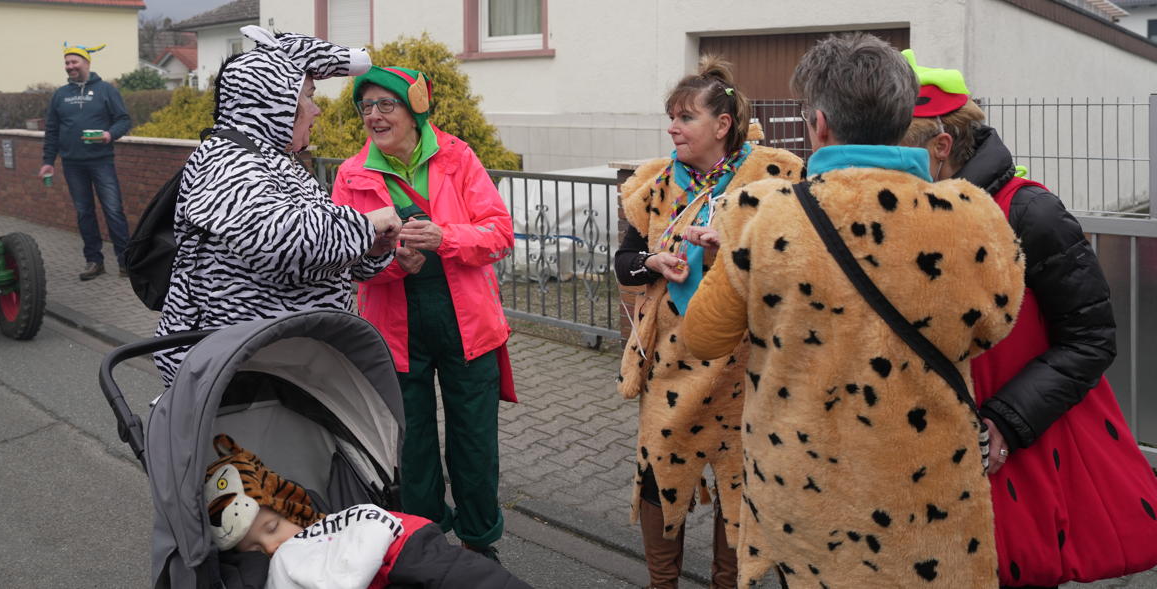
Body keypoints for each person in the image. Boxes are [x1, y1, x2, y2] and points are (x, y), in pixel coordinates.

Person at [683, 33, 1026, 588]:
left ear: (819, 124)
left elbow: (702, 337)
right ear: (904, 117)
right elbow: (995, 325)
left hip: (806, 497)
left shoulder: (766, 218)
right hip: (929, 496)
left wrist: (737, 266)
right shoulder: (974, 216)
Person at [900, 50, 1157, 589]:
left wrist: (1006, 421)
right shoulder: (906, 210)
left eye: (897, 150)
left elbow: (1091, 339)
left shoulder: (1031, 212)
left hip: (1014, 445)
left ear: (941, 147)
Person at [613, 56, 803, 589]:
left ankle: (729, 583)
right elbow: (623, 261)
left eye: (685, 117)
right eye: (670, 116)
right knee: (658, 475)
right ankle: (661, 583)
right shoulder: (652, 185)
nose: (673, 127)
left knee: (738, 486)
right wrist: (650, 262)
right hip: (670, 366)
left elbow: (800, 259)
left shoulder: (773, 176)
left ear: (722, 125)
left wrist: (737, 247)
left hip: (745, 369)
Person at [331, 66, 515, 562]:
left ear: (414, 109)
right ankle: (425, 545)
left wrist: (445, 238)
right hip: (394, 333)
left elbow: (499, 232)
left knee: (474, 444)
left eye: (385, 104)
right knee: (411, 451)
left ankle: (479, 544)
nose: (374, 115)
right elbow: (342, 258)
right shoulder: (352, 174)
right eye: (366, 106)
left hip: (468, 326)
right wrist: (392, 264)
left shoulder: (457, 156)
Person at [152, 28, 401, 386]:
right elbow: (282, 243)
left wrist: (370, 250)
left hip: (285, 366)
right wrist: (365, 226)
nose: (316, 110)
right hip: (241, 373)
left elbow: (319, 249)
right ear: (273, 101)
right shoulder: (226, 162)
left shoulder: (275, 161)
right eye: (309, 97)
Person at [203, 434, 532, 589]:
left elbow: (443, 566)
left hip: (403, 558)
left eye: (272, 528)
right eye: (255, 549)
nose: (271, 548)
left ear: (295, 510)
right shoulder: (268, 571)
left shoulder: (346, 526)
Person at [39, 43, 132, 280]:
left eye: (74, 62)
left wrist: (109, 135)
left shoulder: (105, 90)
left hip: (101, 161)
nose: (70, 67)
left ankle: (126, 263)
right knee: (84, 213)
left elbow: (123, 120)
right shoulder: (60, 95)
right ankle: (94, 261)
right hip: (72, 164)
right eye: (67, 63)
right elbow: (52, 130)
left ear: (86, 63)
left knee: (113, 211)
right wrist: (48, 161)